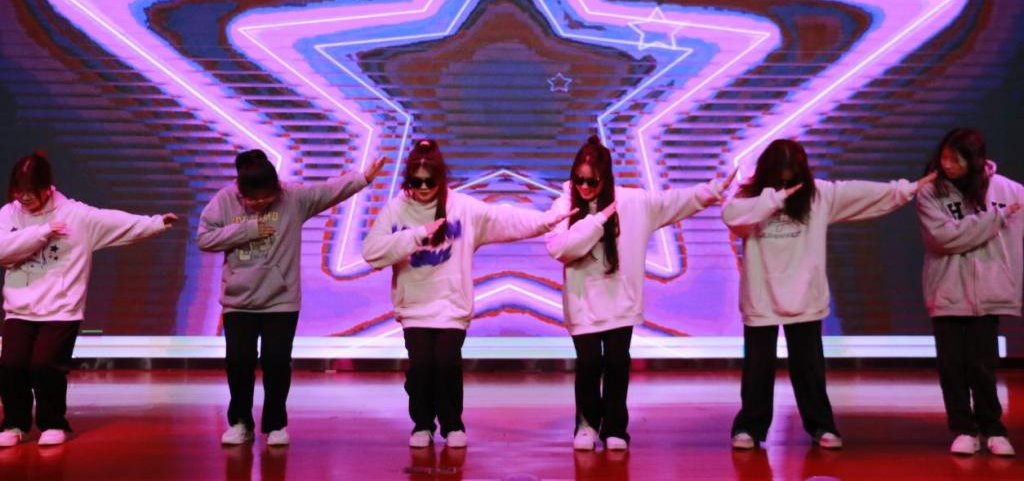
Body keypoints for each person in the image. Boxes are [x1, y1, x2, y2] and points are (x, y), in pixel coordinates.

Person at [721, 138, 934, 451]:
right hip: (762, 298)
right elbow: (732, 217)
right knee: (757, 368)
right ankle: (749, 427)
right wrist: (773, 198)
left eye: (792, 171)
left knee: (808, 368)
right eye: (781, 171)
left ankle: (821, 425)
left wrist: (907, 188)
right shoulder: (749, 198)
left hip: (805, 296)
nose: (787, 178)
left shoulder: (818, 195)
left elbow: (862, 193)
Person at [362, 139, 573, 449]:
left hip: (451, 305)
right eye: (417, 182)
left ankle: (452, 425)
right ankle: (422, 424)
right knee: (421, 368)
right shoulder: (397, 209)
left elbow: (503, 218)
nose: (423, 188)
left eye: (430, 181)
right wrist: (416, 235)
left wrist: (544, 222)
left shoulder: (462, 207)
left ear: (441, 179)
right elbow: (372, 252)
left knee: (447, 365)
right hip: (415, 307)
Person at [545, 135, 734, 451]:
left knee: (617, 364)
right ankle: (587, 425)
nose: (584, 187)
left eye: (592, 181)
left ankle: (615, 428)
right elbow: (560, 249)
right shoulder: (565, 205)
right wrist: (596, 221)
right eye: (578, 179)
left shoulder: (632, 202)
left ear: (606, 178)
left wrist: (712, 190)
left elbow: (673, 202)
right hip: (582, 303)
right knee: (589, 365)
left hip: (621, 299)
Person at [197, 148, 384, 446]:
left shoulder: (292, 198)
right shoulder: (224, 200)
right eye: (253, 200)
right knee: (239, 362)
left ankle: (275, 424)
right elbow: (204, 238)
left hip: (280, 300)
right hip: (238, 301)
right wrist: (248, 230)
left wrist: (363, 178)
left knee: (276, 361)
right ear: (241, 191)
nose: (260, 203)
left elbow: (327, 191)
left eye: (266, 198)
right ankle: (240, 422)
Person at [0, 152, 176, 447]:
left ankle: (53, 423)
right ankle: (14, 424)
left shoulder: (76, 215)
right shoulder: (9, 214)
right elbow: (3, 250)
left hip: (61, 308)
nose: (25, 198)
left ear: (47, 187)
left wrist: (156, 223)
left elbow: (116, 222)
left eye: (31, 191)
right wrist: (42, 232)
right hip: (19, 307)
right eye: (19, 191)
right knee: (11, 365)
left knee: (45, 365)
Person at [916, 128, 1022, 457]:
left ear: (974, 159)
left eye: (956, 158)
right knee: (951, 365)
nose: (948, 164)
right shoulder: (930, 192)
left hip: (989, 291)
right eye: (945, 157)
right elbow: (944, 238)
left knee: (982, 365)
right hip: (947, 288)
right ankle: (963, 428)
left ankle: (993, 428)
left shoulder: (1011, 191)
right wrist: (997, 218)